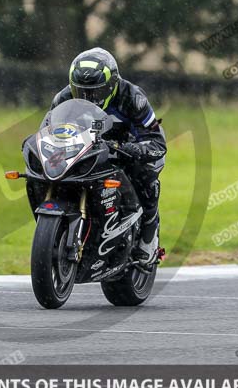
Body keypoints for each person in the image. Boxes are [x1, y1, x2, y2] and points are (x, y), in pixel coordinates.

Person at [49, 47, 166, 263]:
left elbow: (156, 139)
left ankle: (149, 236)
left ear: (112, 85)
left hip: (126, 149)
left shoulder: (133, 98)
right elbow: (51, 131)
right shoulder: (63, 98)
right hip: (86, 150)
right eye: (81, 91)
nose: (88, 97)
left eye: (95, 91)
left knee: (145, 174)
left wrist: (135, 149)